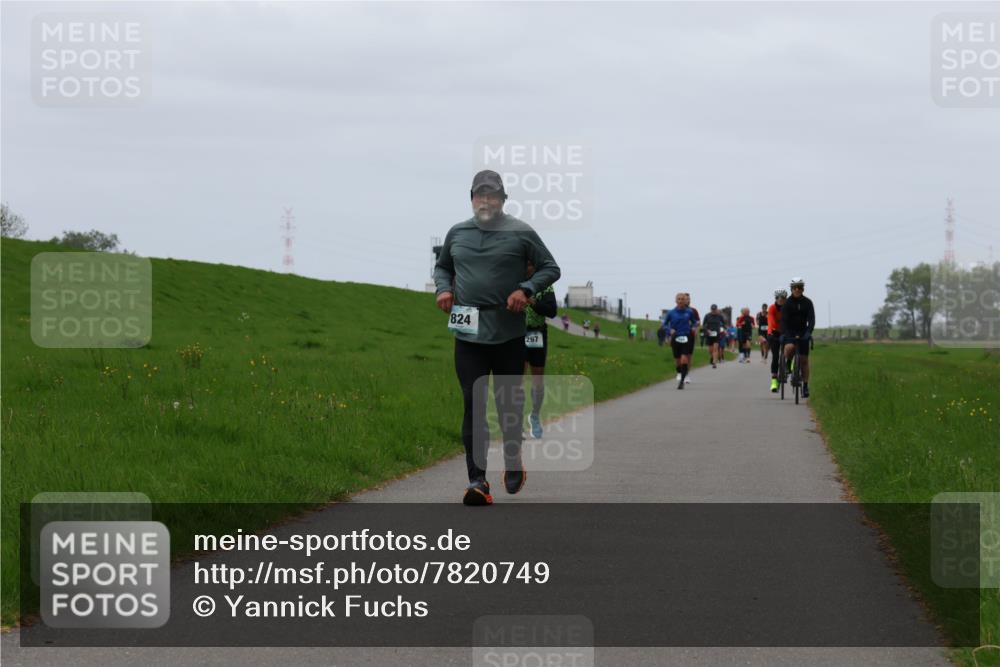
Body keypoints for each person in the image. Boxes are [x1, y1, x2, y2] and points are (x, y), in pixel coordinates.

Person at [434, 170, 560, 505]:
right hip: (468, 330)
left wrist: (526, 289)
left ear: (503, 200)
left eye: (493, 196)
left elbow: (551, 267)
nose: (486, 201)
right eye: (480, 195)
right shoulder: (457, 233)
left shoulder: (520, 232)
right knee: (473, 404)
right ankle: (477, 481)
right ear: (472, 199)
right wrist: (444, 289)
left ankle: (513, 457)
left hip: (508, 333)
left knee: (507, 406)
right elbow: (443, 266)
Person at [524, 261, 558, 440]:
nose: (527, 267)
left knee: (537, 379)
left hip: (537, 332)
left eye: (530, 264)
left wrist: (533, 302)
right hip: (516, 333)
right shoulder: (514, 281)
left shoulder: (544, 286)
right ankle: (515, 420)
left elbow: (552, 311)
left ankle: (534, 415)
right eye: (525, 263)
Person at [780, 277, 815, 398]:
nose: (797, 289)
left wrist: (808, 332)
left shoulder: (808, 302)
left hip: (803, 331)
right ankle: (789, 363)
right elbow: (783, 321)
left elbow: (811, 320)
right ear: (791, 289)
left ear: (803, 288)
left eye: (799, 287)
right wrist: (786, 333)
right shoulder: (787, 303)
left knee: (804, 360)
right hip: (790, 331)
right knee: (789, 348)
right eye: (794, 287)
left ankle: (805, 386)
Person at [664, 292, 699, 389]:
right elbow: (665, 324)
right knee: (677, 360)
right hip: (675, 337)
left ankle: (682, 381)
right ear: (676, 301)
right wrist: (669, 330)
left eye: (682, 299)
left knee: (684, 358)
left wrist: (693, 327)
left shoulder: (689, 312)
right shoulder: (671, 313)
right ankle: (679, 372)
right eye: (679, 299)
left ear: (685, 301)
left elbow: (695, 322)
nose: (680, 301)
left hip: (686, 336)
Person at [767, 289, 786, 392]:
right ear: (776, 298)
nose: (780, 300)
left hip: (787, 332)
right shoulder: (772, 308)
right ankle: (774, 380)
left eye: (782, 297)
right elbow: (770, 321)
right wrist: (769, 333)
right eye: (778, 298)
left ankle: (789, 365)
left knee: (789, 350)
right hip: (775, 332)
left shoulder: (788, 307)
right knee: (775, 356)